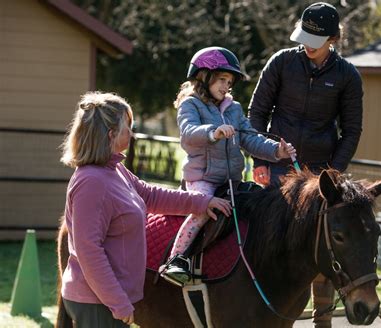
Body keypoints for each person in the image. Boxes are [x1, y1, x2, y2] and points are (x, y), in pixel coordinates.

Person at [58, 91, 232, 328]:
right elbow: (89, 251)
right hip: (97, 302)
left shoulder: (114, 170)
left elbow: (150, 194)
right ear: (111, 135)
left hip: (106, 301)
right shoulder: (91, 182)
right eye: (127, 127)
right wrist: (118, 302)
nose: (131, 133)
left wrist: (201, 202)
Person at [247, 3, 363, 327]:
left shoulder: (347, 76)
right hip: (277, 168)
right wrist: (261, 157)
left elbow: (351, 130)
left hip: (321, 176)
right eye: (305, 36)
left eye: (317, 38)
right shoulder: (281, 62)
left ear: (333, 38)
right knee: (272, 246)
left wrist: (333, 175)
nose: (308, 44)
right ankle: (266, 314)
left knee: (321, 243)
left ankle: (321, 319)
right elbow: (256, 114)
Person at [160, 46, 296, 286]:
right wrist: (214, 131)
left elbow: (250, 138)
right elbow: (188, 133)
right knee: (201, 211)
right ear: (204, 76)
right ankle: (176, 259)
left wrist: (277, 151)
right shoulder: (190, 105)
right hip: (202, 179)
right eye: (222, 79)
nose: (226, 86)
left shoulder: (233, 108)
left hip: (231, 181)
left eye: (230, 82)